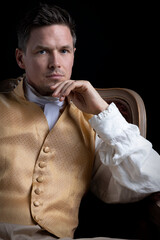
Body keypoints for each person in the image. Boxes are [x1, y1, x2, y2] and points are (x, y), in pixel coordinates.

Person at [0, 3, 160, 240]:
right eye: (42, 51)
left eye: (64, 51)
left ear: (74, 53)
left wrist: (102, 111)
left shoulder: (95, 124)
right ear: (21, 58)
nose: (56, 62)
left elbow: (151, 178)